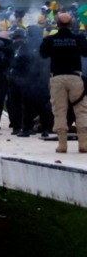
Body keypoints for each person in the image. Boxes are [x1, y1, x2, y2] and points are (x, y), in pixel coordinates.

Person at [39, 12, 87, 153]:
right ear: (72, 24)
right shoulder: (78, 38)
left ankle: (62, 145)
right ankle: (83, 144)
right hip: (75, 77)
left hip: (57, 77)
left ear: (57, 24)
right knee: (81, 110)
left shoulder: (50, 39)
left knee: (59, 111)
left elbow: (43, 55)